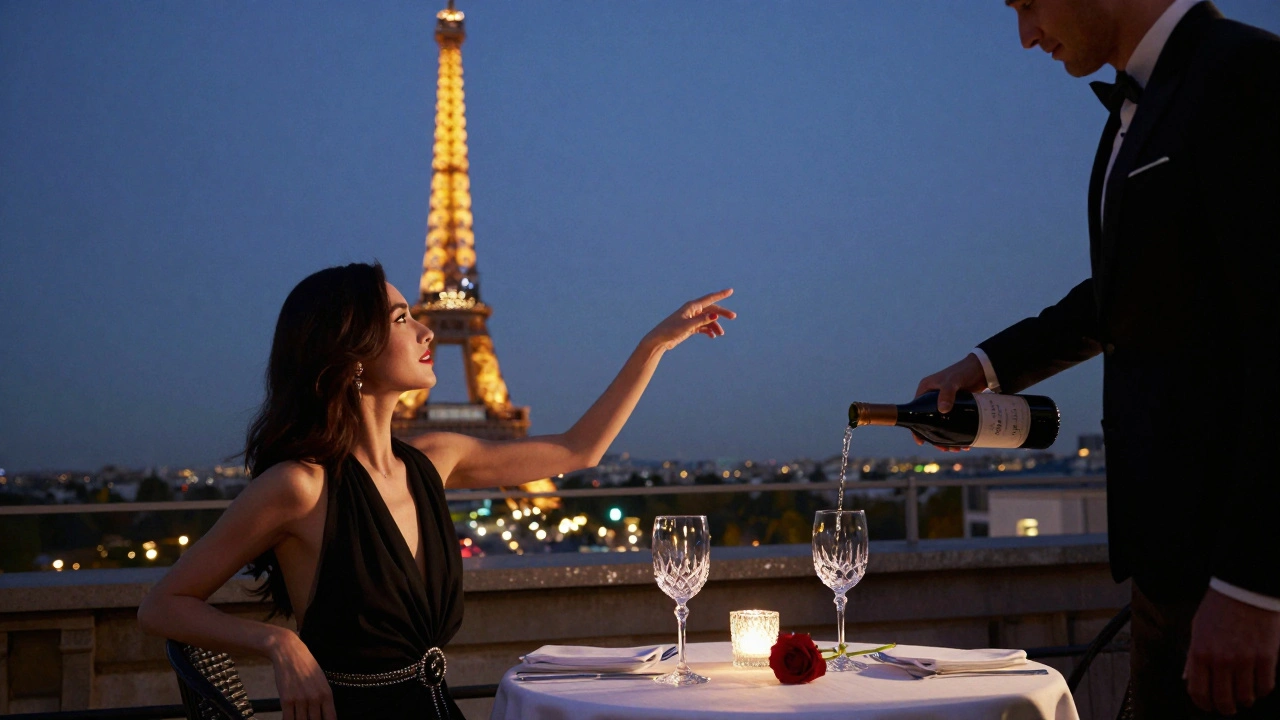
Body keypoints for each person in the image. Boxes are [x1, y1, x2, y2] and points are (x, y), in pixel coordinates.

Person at [137, 262, 735, 720]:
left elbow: (580, 450)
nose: (424, 328)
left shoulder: (434, 458)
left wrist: (654, 344)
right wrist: (275, 642)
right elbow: (161, 604)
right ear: (351, 357)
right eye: (400, 319)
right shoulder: (299, 487)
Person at [913, 1, 1279, 717]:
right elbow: (1120, 293)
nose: (1024, 37)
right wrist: (986, 365)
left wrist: (1254, 588)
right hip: (1166, 578)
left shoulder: (1248, 76)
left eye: (1027, 3)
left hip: (1233, 592)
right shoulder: (1138, 110)